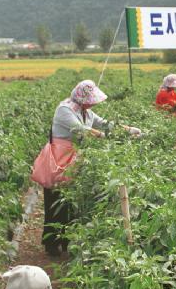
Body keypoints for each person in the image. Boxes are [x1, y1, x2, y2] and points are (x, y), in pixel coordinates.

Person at [41, 80, 140, 257]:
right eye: (91, 99)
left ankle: (66, 241)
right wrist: (103, 136)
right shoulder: (65, 109)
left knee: (71, 200)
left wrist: (128, 129)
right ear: (82, 98)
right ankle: (51, 243)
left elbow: (104, 123)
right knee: (55, 199)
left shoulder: (86, 111)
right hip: (58, 158)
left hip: (73, 158)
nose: (94, 103)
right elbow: (81, 130)